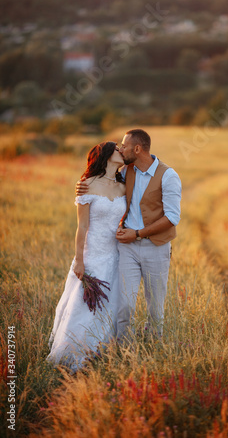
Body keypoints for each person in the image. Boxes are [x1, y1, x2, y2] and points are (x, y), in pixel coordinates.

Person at [76, 129, 182, 343]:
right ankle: (123, 346)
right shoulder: (126, 172)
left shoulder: (168, 175)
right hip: (127, 248)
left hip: (156, 247)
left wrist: (138, 233)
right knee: (125, 303)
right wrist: (83, 184)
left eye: (124, 146)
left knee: (155, 305)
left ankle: (153, 344)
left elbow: (172, 217)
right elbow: (104, 181)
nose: (120, 149)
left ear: (137, 148)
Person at [47, 141, 126, 372]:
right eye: (117, 148)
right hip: (92, 254)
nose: (122, 151)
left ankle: (101, 352)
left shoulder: (124, 184)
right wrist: (79, 260)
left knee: (110, 304)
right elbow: (82, 227)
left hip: (115, 255)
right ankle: (73, 353)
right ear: (106, 155)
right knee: (84, 304)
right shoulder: (87, 185)